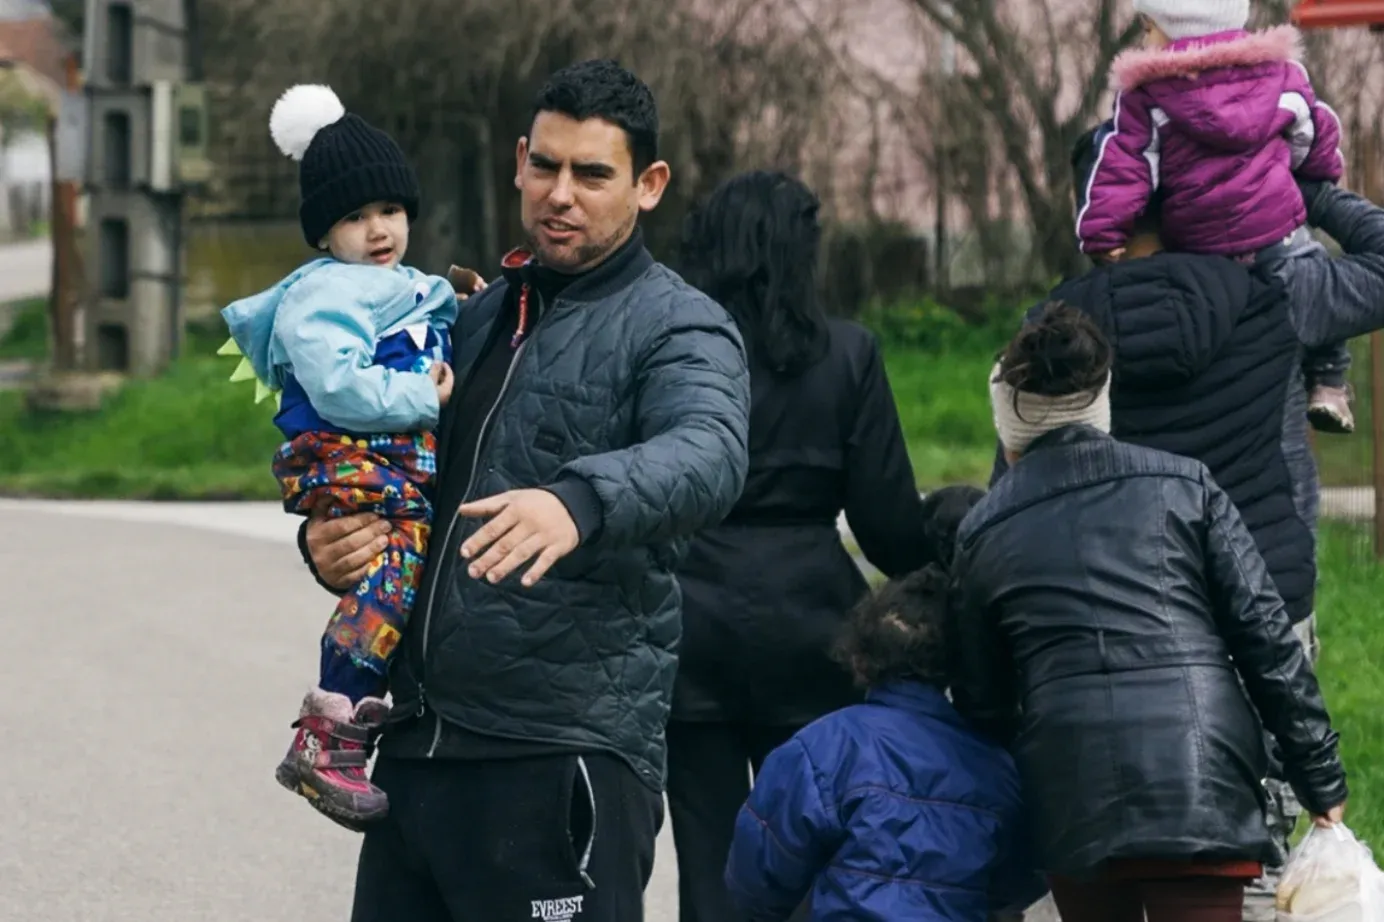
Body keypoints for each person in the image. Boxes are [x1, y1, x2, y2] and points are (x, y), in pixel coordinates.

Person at [300, 59, 752, 922]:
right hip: (416, 750)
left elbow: (709, 451)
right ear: (518, 162)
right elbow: (392, 475)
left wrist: (577, 502)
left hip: (561, 757)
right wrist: (330, 541)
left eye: (592, 174)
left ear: (648, 184)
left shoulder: (679, 323)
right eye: (545, 166)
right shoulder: (467, 318)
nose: (560, 195)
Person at [996, 124, 1384, 920]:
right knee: (1255, 837)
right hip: (1269, 589)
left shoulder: (1057, 323)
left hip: (1114, 607)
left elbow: (1016, 477)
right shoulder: (1272, 298)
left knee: (1119, 824)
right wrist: (1299, 191)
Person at [954, 304, 1349, 922]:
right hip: (1202, 782)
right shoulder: (1186, 485)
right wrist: (1320, 778)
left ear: (1008, 417)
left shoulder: (983, 530)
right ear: (1101, 401)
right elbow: (1267, 640)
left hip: (1071, 792)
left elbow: (983, 699)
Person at [666, 169, 933, 922]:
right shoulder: (848, 355)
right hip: (816, 629)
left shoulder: (677, 356)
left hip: (693, 629)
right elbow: (885, 524)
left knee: (709, 863)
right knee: (818, 854)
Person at [218, 84, 458, 828]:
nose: (378, 229)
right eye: (353, 218)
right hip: (353, 459)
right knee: (388, 576)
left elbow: (428, 306)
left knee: (396, 569)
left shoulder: (382, 283)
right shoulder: (322, 299)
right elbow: (344, 387)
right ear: (324, 234)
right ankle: (331, 731)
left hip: (386, 463)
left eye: (389, 210)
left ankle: (348, 720)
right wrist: (424, 395)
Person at [1078, 3, 1354, 432]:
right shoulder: (1281, 74)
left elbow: (1124, 164)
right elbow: (1314, 132)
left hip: (1201, 247)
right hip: (1275, 232)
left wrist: (1103, 230)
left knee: (1227, 323)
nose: (1145, 40)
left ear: (1170, 28)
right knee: (1318, 285)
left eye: (1148, 28)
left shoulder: (1147, 94)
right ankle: (1329, 383)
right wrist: (1314, 174)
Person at [723, 562, 1046, 922]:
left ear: (860, 659)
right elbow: (1021, 880)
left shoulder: (821, 747)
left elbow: (758, 872)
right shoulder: (993, 767)